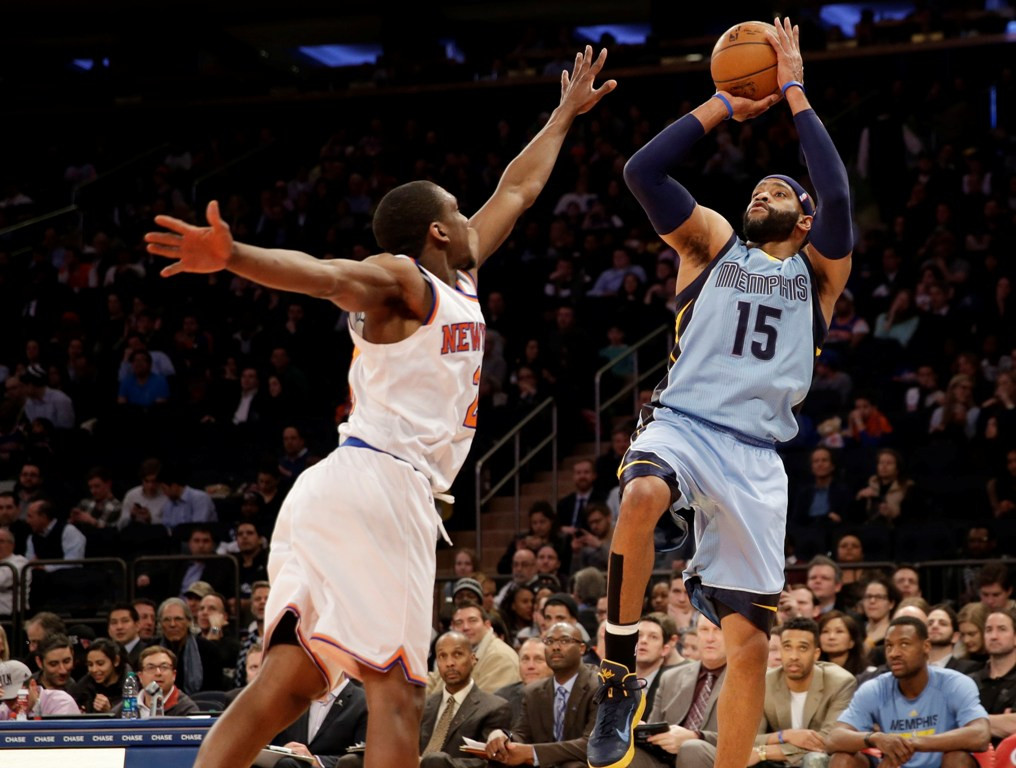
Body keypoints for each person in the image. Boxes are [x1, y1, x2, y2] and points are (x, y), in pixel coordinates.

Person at [144, 45, 615, 768]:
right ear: (434, 231)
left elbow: (516, 191)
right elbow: (329, 275)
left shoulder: (456, 275)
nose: (469, 216)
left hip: (336, 486)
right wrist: (236, 256)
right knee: (398, 690)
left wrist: (561, 115)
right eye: (457, 211)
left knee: (290, 680)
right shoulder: (402, 278)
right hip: (383, 484)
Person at [591, 18, 854, 768]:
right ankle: (616, 675)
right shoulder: (710, 243)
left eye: (779, 189)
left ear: (803, 221)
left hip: (757, 457)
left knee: (749, 644)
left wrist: (795, 88)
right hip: (684, 423)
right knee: (639, 497)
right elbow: (644, 173)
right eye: (758, 186)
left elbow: (834, 190)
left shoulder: (819, 274)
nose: (762, 190)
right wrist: (720, 106)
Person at [826, 617, 990, 768]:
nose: (894, 653)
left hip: (940, 765)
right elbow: (834, 738)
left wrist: (913, 743)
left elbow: (981, 735)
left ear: (926, 647)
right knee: (842, 759)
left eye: (904, 644)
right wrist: (874, 738)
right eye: (889, 645)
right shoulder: (875, 688)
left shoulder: (954, 683)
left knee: (957, 759)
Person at [484, 622, 599, 767]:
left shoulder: (598, 688)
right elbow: (521, 734)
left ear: (582, 648)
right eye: (549, 641)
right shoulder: (533, 692)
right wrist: (503, 736)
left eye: (564, 641)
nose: (556, 647)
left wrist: (533, 752)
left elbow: (591, 744)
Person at [752, 617, 857, 768]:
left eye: (802, 648)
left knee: (815, 760)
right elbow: (751, 739)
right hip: (776, 764)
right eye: (787, 647)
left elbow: (828, 740)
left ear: (816, 654)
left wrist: (764, 752)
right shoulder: (764, 683)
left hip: (820, 761)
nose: (793, 656)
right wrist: (785, 736)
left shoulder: (841, 683)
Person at [630, 613, 728, 768]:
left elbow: (752, 740)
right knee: (622, 750)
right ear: (696, 635)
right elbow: (653, 727)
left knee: (691, 749)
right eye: (704, 630)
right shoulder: (670, 678)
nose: (710, 638)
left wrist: (695, 736)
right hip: (665, 759)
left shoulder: (747, 680)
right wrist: (640, 729)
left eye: (718, 630)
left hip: (715, 759)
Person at [416, 631, 511, 767]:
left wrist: (431, 763)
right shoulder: (424, 705)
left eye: (457, 654)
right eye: (443, 656)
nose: (449, 663)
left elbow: (489, 763)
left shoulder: (494, 708)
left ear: (473, 659)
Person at [272, 671, 368, 768]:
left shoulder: (364, 703)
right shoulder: (291, 698)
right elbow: (271, 743)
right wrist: (281, 752)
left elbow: (361, 759)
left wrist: (315, 761)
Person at [113, 645, 199, 717]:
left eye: (164, 667)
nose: (158, 673)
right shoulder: (126, 706)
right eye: (151, 668)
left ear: (174, 675)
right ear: (140, 676)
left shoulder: (186, 708)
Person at [68, 637, 126, 713]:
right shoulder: (82, 689)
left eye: (100, 664)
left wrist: (111, 711)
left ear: (116, 661)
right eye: (90, 664)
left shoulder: (131, 686)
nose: (94, 670)